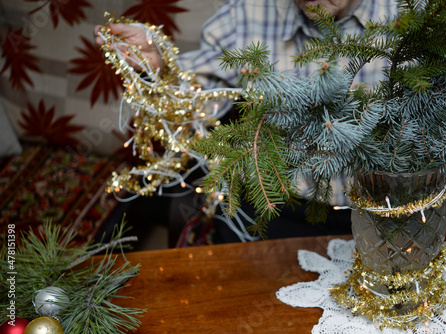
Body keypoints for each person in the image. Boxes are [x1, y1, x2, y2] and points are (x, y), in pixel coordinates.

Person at [95, 0, 399, 243]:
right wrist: (160, 66)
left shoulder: (413, 15)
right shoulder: (248, 11)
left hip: (389, 213)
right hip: (274, 209)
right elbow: (199, 93)